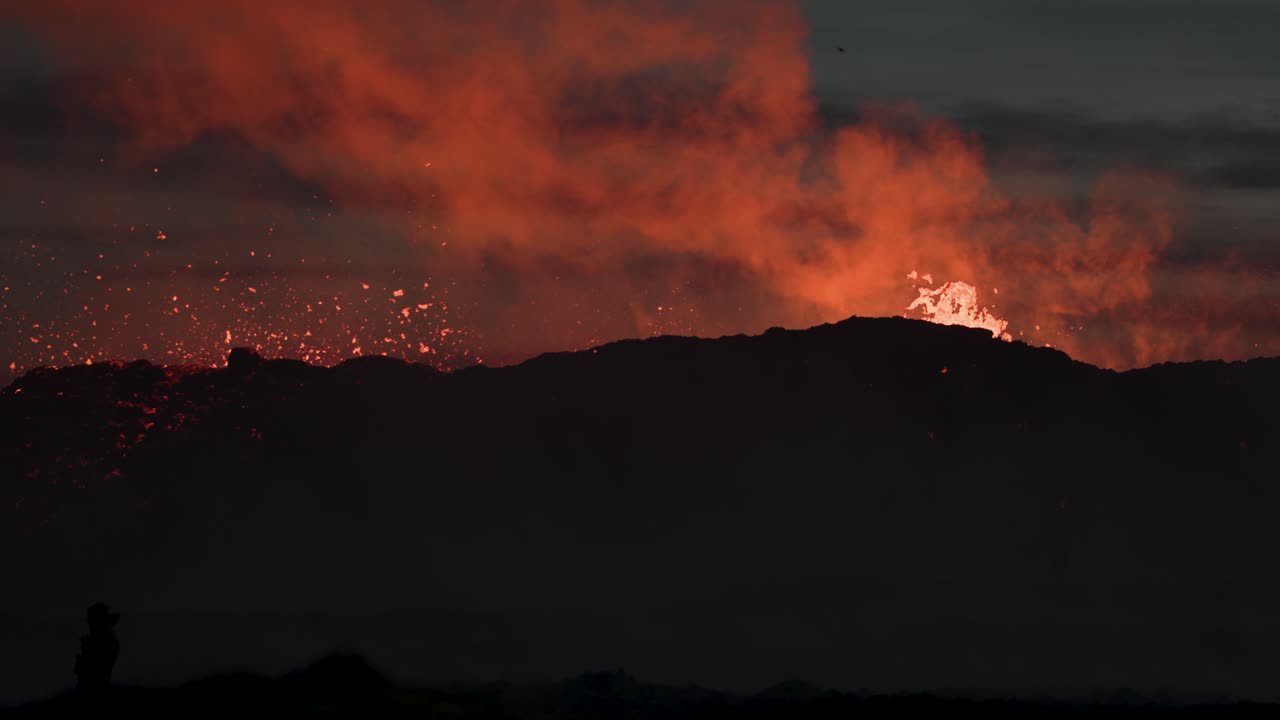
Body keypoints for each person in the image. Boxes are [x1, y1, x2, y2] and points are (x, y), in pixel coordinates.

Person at [74, 603, 120, 696]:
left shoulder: (105, 639)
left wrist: (87, 647)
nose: (89, 623)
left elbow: (98, 665)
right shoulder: (103, 637)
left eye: (91, 620)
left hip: (95, 689)